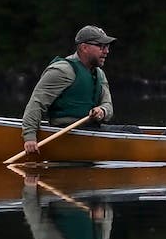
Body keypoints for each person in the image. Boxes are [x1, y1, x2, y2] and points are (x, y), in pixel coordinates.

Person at [21, 24, 118, 159]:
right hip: (67, 131)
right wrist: (30, 137)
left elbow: (108, 106)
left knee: (132, 131)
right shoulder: (62, 70)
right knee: (131, 134)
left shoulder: (99, 74)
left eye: (107, 47)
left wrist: (102, 111)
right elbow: (37, 103)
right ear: (84, 47)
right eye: (101, 46)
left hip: (90, 130)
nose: (106, 51)